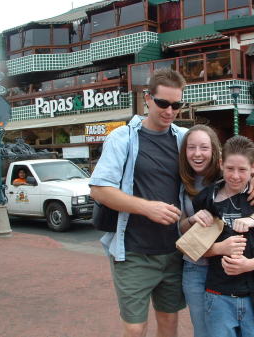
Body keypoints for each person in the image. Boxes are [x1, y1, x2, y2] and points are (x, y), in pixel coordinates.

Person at [89, 68, 188, 337]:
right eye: (163, 103)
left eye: (176, 105)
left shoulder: (184, 139)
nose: (169, 111)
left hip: (173, 249)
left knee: (169, 322)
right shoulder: (122, 138)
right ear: (147, 99)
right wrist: (147, 207)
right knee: (134, 328)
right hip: (133, 251)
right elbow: (99, 189)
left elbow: (224, 165)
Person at [178, 125, 254, 337]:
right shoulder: (206, 197)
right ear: (222, 165)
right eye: (230, 169)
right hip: (215, 290)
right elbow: (193, 244)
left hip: (253, 290)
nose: (235, 176)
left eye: (242, 170)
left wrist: (249, 263)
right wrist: (220, 247)